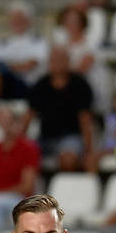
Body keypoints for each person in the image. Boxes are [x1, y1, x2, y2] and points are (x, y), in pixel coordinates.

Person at [27, 45, 96, 173]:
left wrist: (88, 150)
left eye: (60, 59)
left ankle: (63, 189)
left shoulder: (80, 84)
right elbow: (29, 115)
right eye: (53, 60)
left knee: (68, 159)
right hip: (45, 138)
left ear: (68, 61)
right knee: (26, 155)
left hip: (71, 138)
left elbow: (85, 119)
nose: (56, 63)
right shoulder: (41, 84)